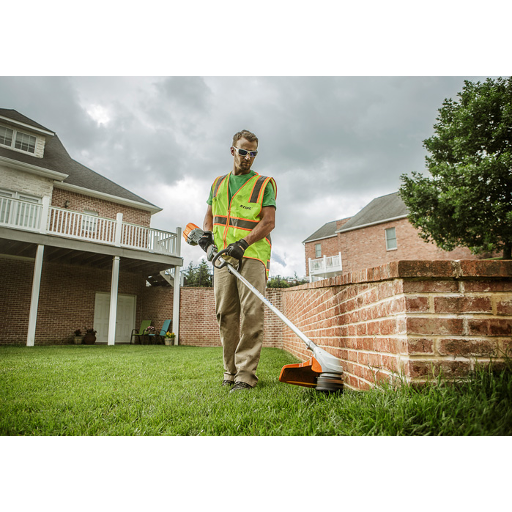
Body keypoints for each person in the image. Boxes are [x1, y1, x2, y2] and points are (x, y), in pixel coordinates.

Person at [198, 129, 277, 392]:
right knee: (225, 314)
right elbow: (209, 217)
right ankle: (229, 372)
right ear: (233, 151)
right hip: (222, 257)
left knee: (252, 313)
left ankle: (246, 376)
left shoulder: (264, 183)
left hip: (252, 254)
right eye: (243, 152)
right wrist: (207, 240)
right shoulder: (218, 183)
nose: (247, 157)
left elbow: (269, 221)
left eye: (252, 153)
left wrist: (244, 243)